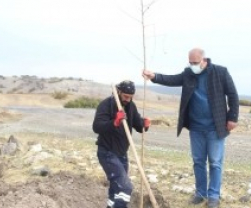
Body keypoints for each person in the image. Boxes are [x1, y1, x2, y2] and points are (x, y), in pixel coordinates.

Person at [142, 48, 239, 208]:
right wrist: (154, 76)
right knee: (198, 161)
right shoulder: (189, 73)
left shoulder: (220, 72)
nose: (192, 65)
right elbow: (172, 80)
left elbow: (233, 95)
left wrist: (233, 118)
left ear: (204, 60)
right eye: (190, 62)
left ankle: (214, 196)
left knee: (215, 162)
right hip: (196, 127)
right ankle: (200, 194)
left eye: (195, 63)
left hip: (216, 126)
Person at [92, 80, 151, 208]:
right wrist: (114, 122)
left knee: (116, 189)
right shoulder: (106, 105)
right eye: (125, 97)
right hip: (107, 152)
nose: (128, 100)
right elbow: (96, 127)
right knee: (125, 187)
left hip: (122, 154)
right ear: (118, 92)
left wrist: (144, 125)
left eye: (131, 97)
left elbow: (138, 125)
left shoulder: (131, 106)